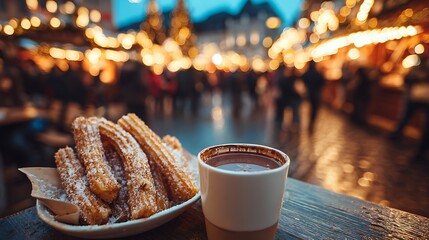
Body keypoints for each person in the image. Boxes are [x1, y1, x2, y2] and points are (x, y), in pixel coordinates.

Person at [390, 56, 429, 161]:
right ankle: (397, 134)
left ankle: (421, 149)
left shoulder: (420, 64)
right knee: (405, 116)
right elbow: (407, 78)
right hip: (415, 96)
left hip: (421, 97)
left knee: (425, 126)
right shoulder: (418, 63)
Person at [301, 61, 325, 130]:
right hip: (316, 93)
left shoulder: (307, 72)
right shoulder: (317, 73)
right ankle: (312, 121)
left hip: (309, 93)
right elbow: (322, 82)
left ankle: (310, 120)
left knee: (310, 107)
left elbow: (303, 79)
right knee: (314, 108)